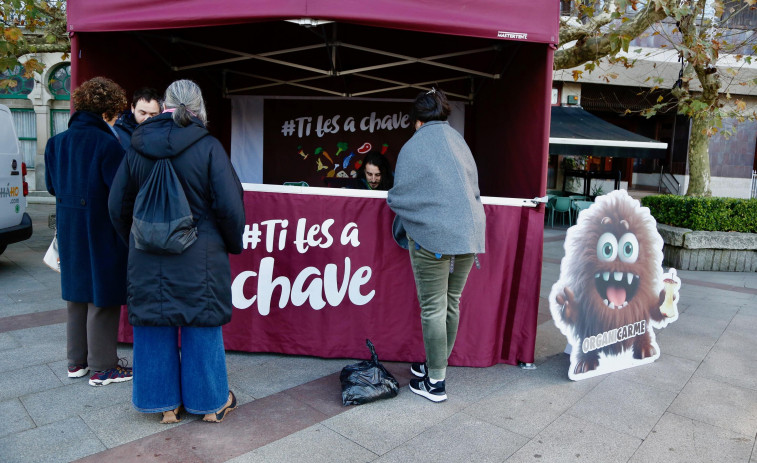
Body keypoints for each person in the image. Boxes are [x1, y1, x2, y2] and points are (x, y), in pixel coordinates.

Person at [109, 79, 245, 424]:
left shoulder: (136, 146)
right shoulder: (209, 146)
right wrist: (231, 243)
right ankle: (211, 404)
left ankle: (163, 404)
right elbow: (230, 205)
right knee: (202, 321)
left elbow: (116, 205)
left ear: (164, 104)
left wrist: (137, 241)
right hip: (200, 253)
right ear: (200, 108)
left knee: (153, 321)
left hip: (146, 254)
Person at [387, 88, 486, 403]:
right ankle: (435, 367)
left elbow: (400, 195)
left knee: (433, 308)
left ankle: (436, 383)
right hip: (469, 235)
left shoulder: (414, 146)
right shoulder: (460, 142)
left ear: (417, 121)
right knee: (452, 302)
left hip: (433, 237)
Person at [44, 76, 133, 387]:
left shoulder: (56, 143)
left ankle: (76, 362)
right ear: (108, 111)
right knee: (102, 295)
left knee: (76, 294)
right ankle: (103, 367)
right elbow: (121, 195)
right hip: (101, 229)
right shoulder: (109, 145)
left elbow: (52, 186)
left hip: (69, 227)